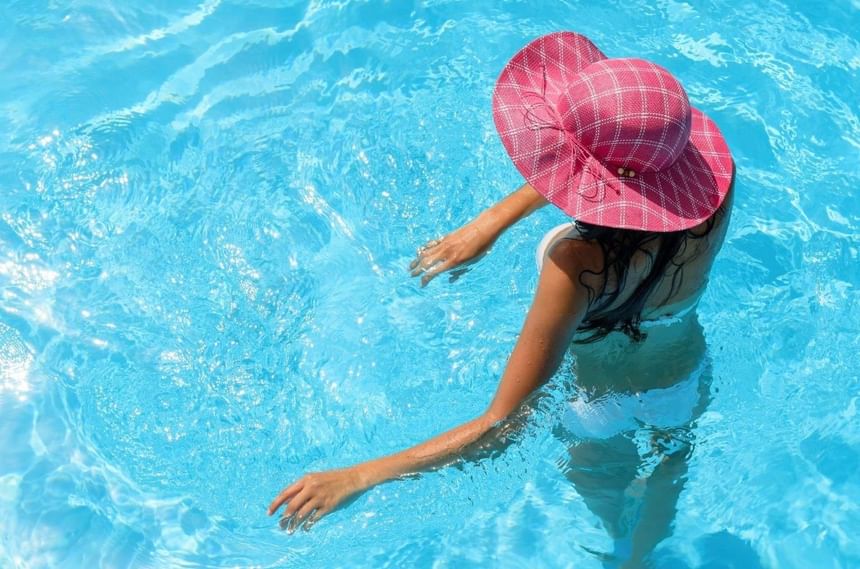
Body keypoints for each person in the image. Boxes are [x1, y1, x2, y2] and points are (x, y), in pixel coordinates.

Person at [268, 31, 735, 566]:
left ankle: (620, 545)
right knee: (663, 489)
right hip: (683, 383)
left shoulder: (577, 263)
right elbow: (625, 178)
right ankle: (643, 557)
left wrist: (361, 475)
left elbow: (501, 425)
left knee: (610, 507)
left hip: (597, 408)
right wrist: (493, 220)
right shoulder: (711, 194)